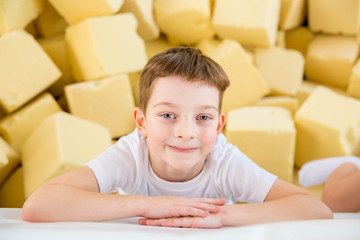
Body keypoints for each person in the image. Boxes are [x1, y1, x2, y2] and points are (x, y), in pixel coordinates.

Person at [22, 47, 332, 228]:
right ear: (141, 122)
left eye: (203, 118)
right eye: (168, 115)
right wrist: (148, 205)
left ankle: (342, 169)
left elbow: (316, 210)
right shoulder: (132, 153)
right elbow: (38, 205)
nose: (186, 132)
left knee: (336, 194)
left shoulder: (223, 161)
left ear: (219, 125)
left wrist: (221, 216)